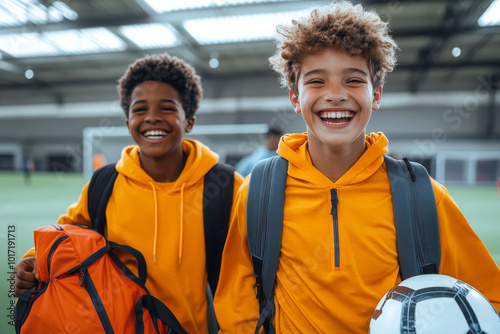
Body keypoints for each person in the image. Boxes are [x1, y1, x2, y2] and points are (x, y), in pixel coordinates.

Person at [213, 2, 500, 333]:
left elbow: (489, 298)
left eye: (353, 80)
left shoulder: (423, 196)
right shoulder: (257, 192)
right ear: (295, 98)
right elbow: (238, 308)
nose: (335, 95)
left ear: (375, 94)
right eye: (316, 82)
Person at [14, 53, 243, 334]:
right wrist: (34, 259)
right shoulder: (106, 182)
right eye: (139, 109)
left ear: (189, 121)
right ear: (128, 123)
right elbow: (69, 231)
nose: (152, 117)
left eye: (167, 108)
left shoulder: (224, 185)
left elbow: (243, 276)